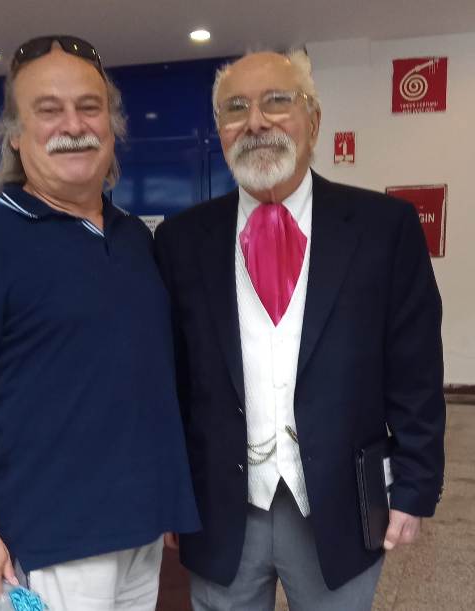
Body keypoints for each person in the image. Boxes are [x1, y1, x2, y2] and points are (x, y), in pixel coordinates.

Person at [154, 50, 445, 610]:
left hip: (340, 504)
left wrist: (414, 487)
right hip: (220, 509)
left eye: (276, 101)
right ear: (219, 129)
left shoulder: (385, 229)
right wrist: (169, 495)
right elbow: (170, 382)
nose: (255, 121)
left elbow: (415, 369)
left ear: (313, 119)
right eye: (235, 108)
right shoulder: (180, 240)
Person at [0, 35, 199, 611]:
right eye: (48, 110)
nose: (73, 125)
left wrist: (169, 495)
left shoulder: (134, 237)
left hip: (141, 527)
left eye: (89, 107)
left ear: (112, 127)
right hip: (52, 541)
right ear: (15, 134)